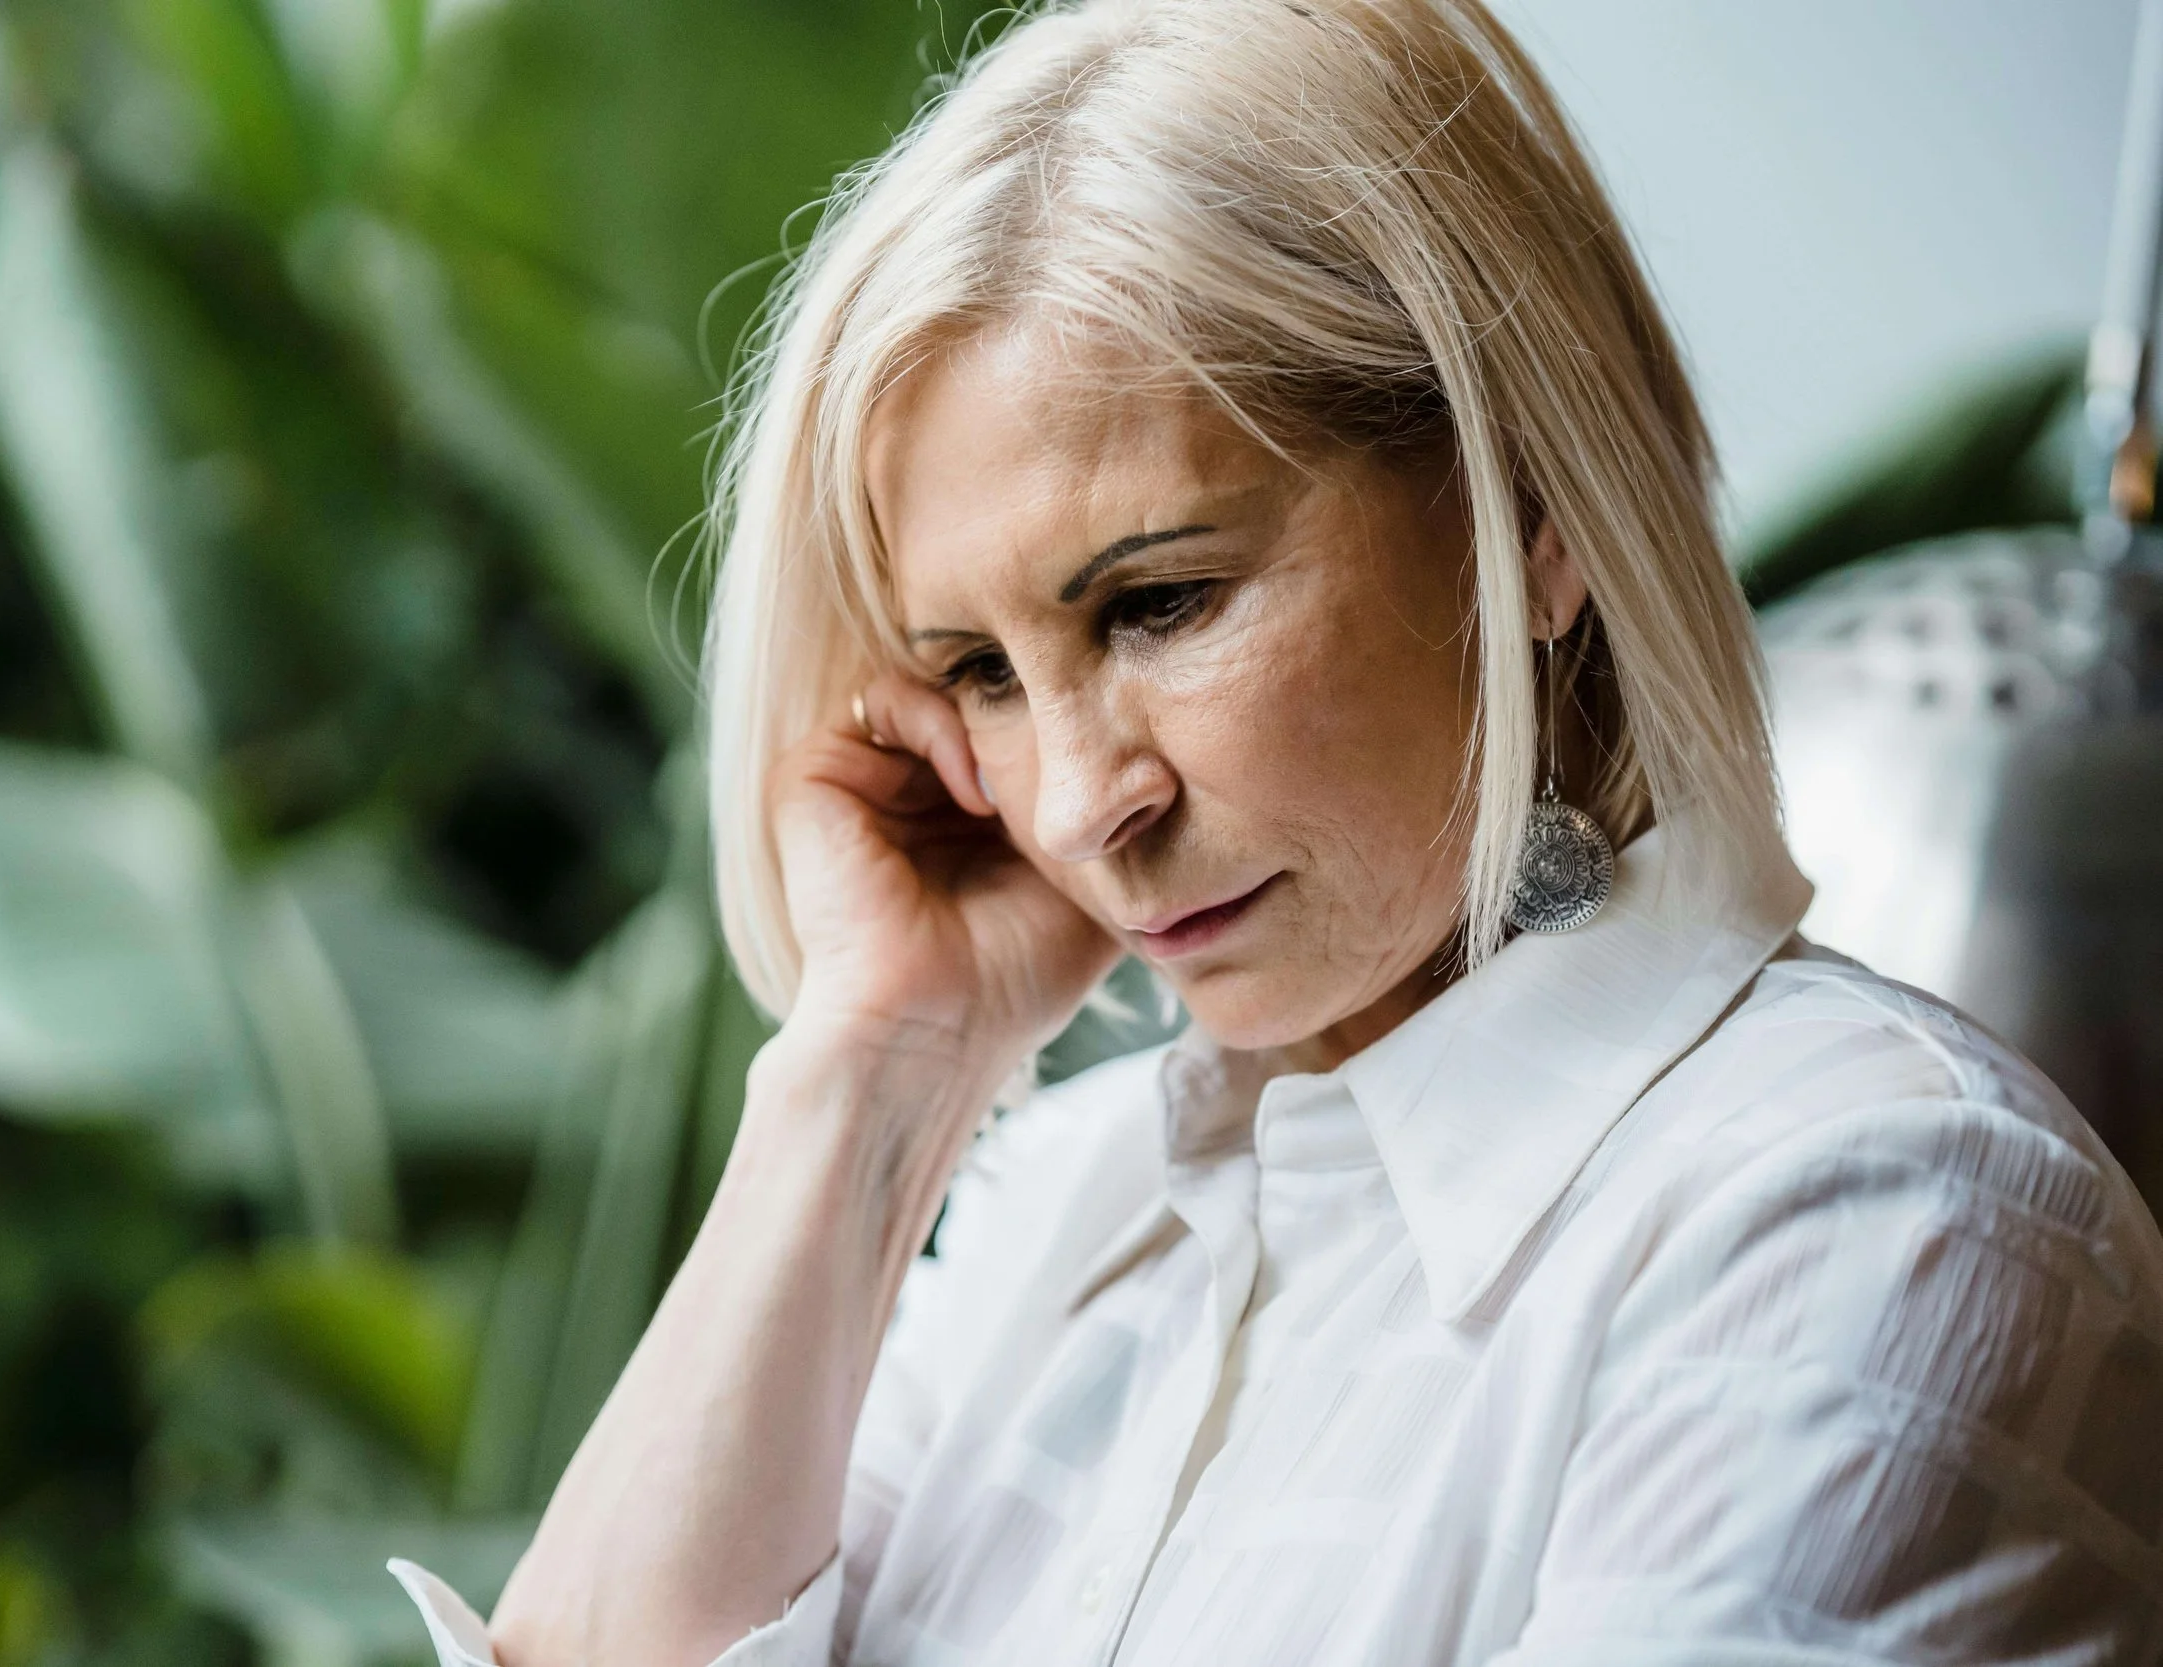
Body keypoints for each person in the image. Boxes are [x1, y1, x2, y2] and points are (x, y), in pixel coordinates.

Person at [392, 1, 2163, 1661]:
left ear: (1529, 513)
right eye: (980, 674)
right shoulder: (1054, 1222)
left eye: (1157, 605)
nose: (1087, 803)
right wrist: (871, 1073)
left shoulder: (1871, 1214)